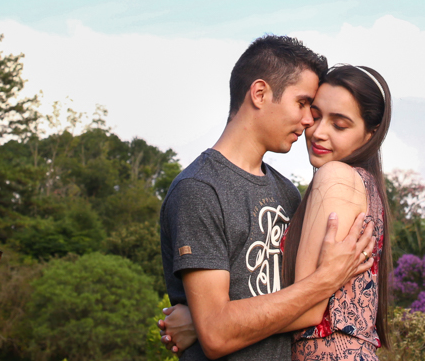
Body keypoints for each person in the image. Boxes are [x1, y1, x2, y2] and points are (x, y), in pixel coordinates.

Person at [159, 36, 377, 361]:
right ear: (260, 94)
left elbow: (298, 308)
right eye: (302, 104)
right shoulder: (201, 190)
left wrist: (202, 323)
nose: (309, 122)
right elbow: (218, 335)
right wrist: (326, 279)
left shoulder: (288, 194)